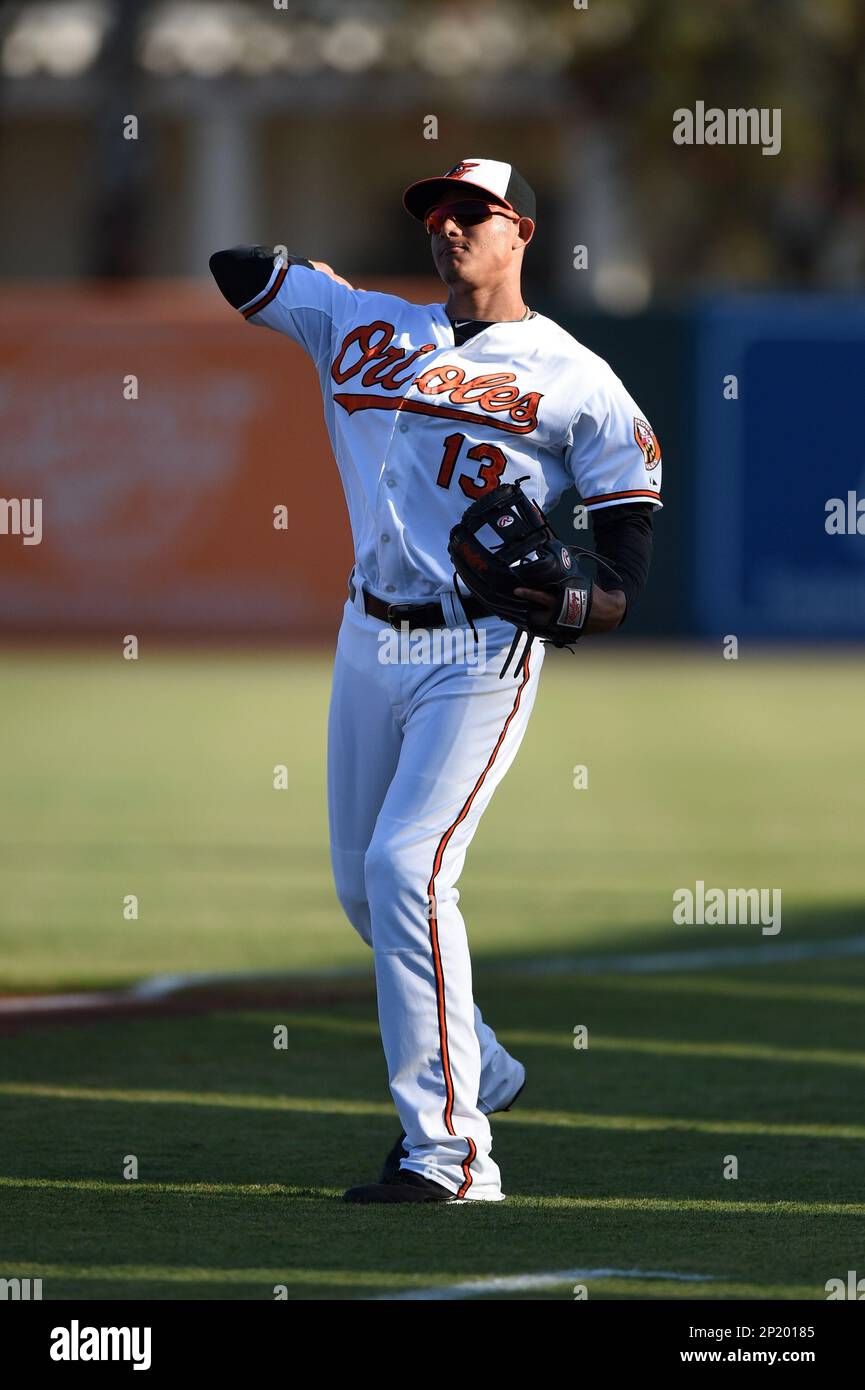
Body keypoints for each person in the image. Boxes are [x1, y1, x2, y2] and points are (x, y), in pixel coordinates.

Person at [209, 157, 662, 1204]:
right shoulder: (365, 324)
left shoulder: (574, 374)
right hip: (368, 635)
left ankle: (450, 1156)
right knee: (363, 888)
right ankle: (484, 1066)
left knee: (410, 870)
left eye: (474, 213)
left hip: (476, 650)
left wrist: (577, 604)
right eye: (437, 214)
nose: (449, 228)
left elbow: (624, 554)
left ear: (523, 234)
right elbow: (238, 271)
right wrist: (310, 280)